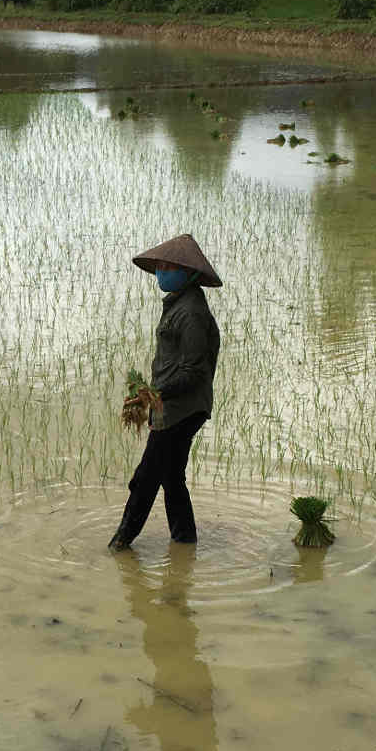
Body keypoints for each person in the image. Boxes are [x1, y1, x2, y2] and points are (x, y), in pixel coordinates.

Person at [109, 234, 222, 551]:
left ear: (189, 273)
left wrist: (152, 393)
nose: (161, 270)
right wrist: (154, 395)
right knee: (172, 478)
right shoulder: (181, 305)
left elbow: (194, 372)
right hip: (175, 407)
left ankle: (120, 544)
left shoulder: (190, 313)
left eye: (169, 266)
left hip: (180, 410)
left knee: (145, 479)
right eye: (159, 265)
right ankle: (185, 544)